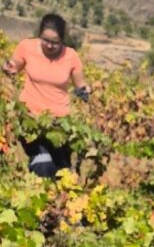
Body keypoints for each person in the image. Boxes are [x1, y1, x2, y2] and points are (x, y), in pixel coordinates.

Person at [2, 13, 89, 178]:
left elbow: (81, 84)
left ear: (62, 40)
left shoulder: (71, 57)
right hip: (31, 120)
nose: (49, 45)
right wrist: (7, 67)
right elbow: (13, 67)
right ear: (39, 35)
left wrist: (85, 91)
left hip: (60, 124)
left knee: (62, 173)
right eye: (45, 40)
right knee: (43, 166)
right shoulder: (27, 47)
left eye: (54, 42)